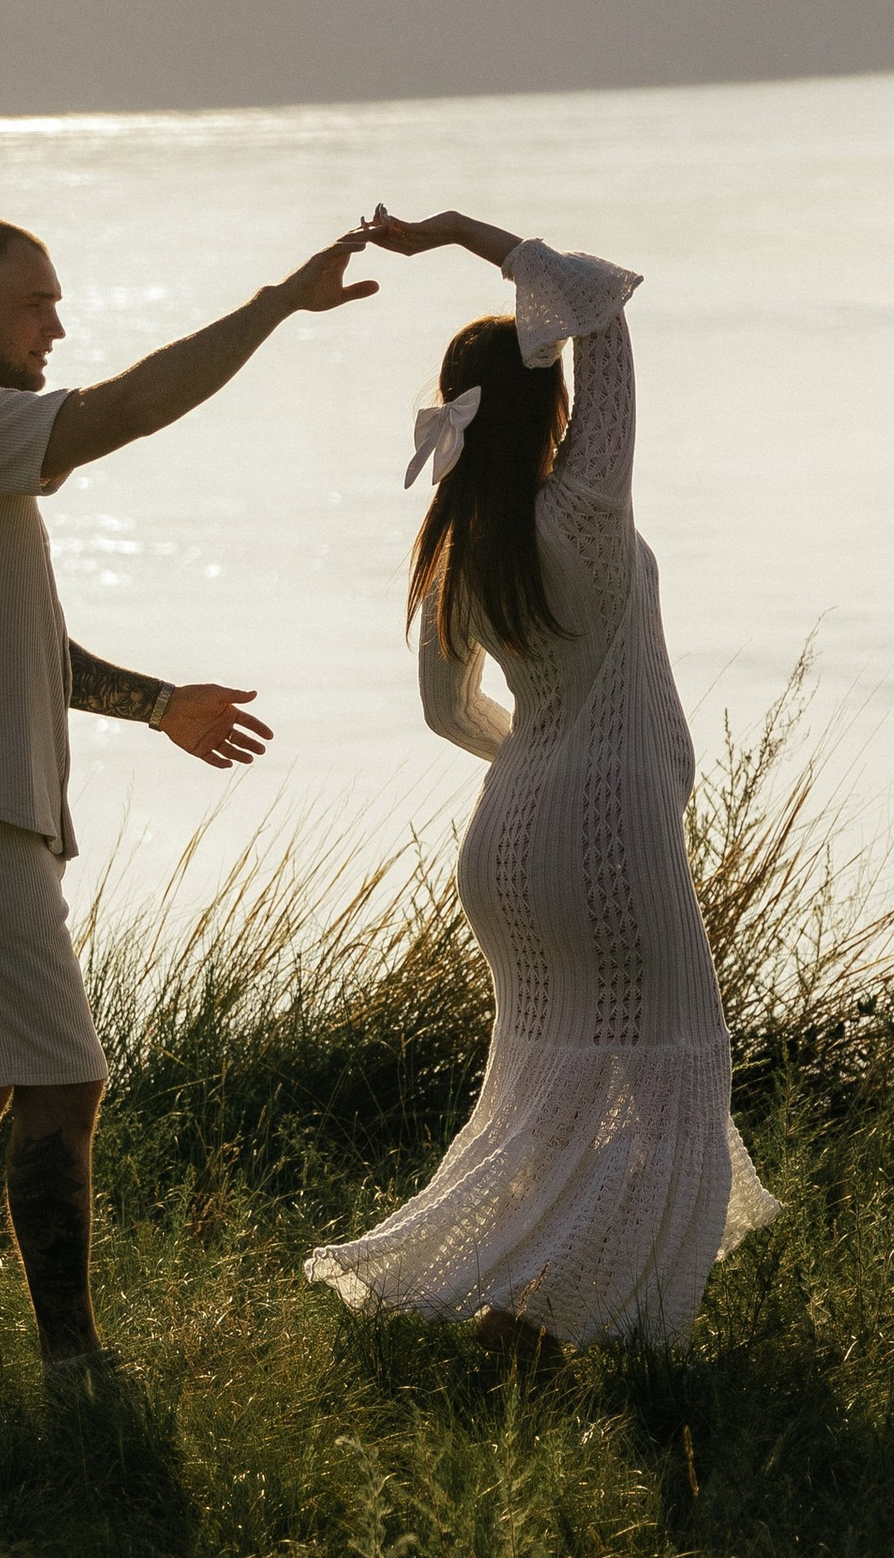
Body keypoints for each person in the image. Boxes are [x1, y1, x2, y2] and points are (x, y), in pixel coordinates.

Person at [0, 209, 377, 1380]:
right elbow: (118, 411)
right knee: (64, 1078)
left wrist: (158, 706)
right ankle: (70, 1360)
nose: (55, 323)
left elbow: (29, 647)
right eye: (34, 302)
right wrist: (272, 305)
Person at [304, 204, 777, 1356]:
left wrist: (533, 757)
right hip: (607, 836)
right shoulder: (588, 505)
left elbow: (442, 709)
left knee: (546, 1084)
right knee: (671, 1067)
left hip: (508, 843)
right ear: (546, 397)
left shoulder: (460, 536)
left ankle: (515, 1302)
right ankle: (580, 1319)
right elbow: (605, 311)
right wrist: (469, 234)